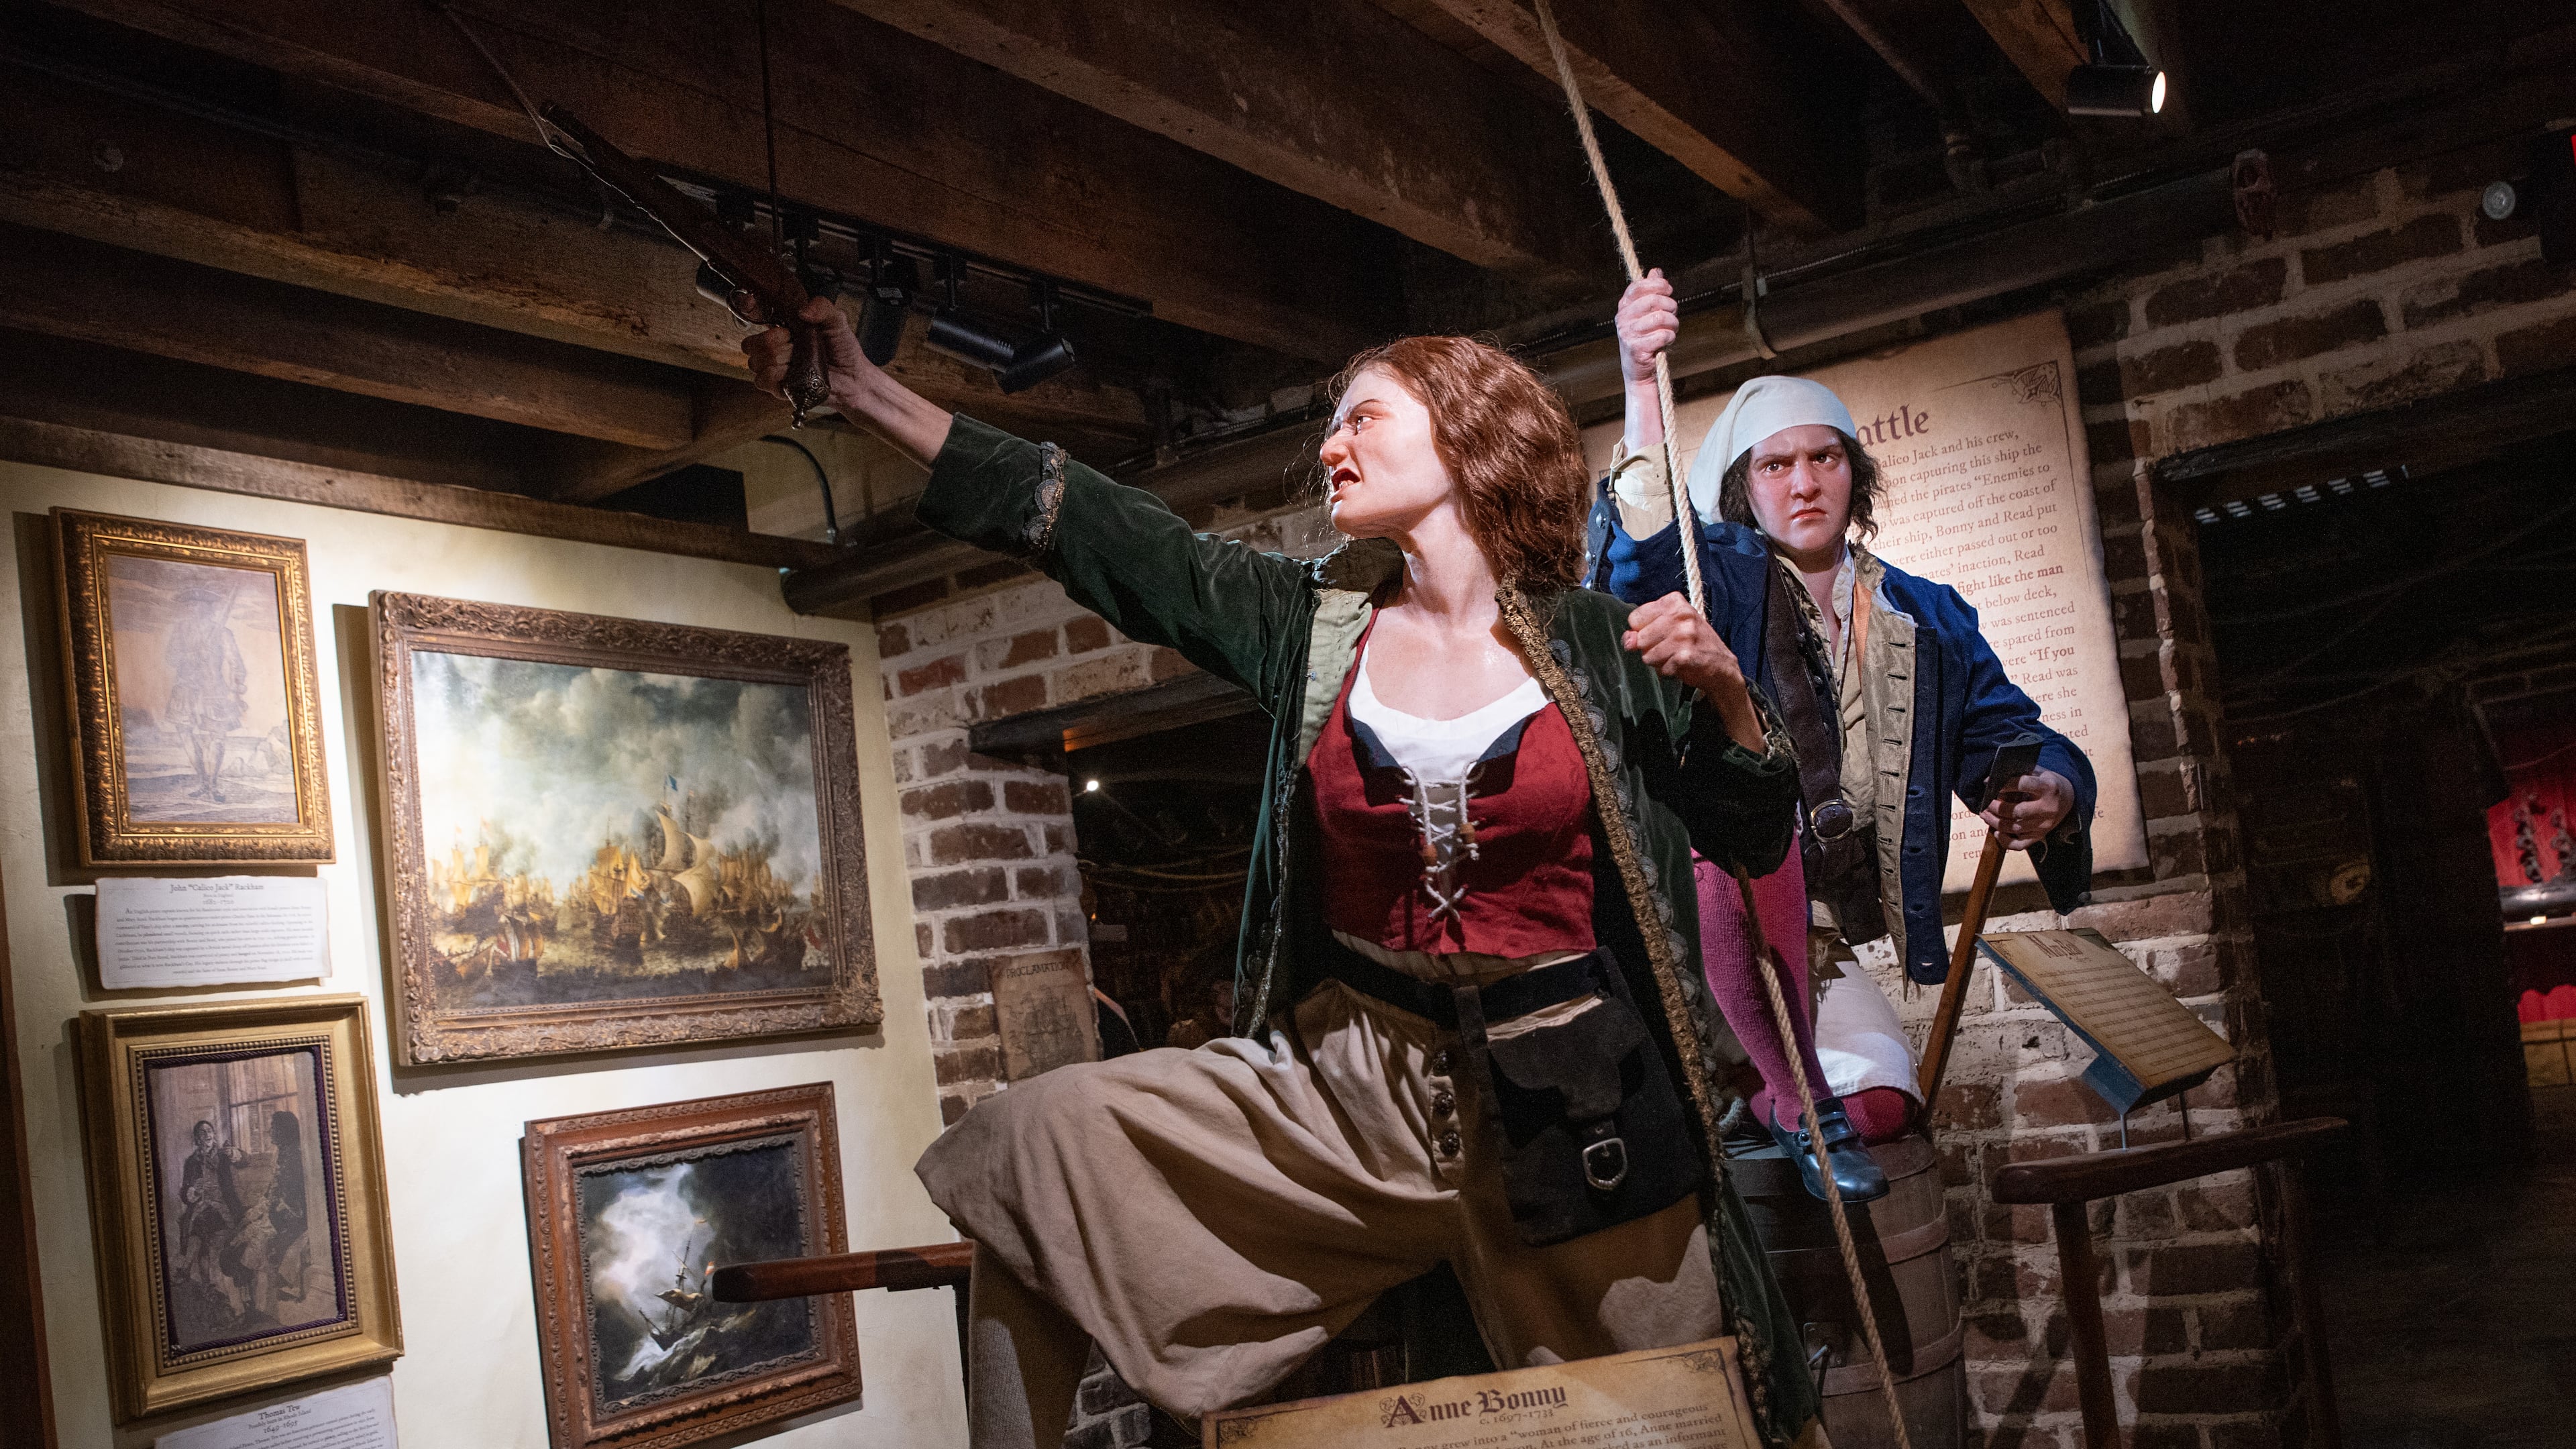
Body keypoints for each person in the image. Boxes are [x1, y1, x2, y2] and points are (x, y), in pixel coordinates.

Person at [748, 305, 1827, 1448]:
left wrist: (1727, 695)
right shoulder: (1313, 630)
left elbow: (1754, 834)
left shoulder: (1603, 645)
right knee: (1032, 1149)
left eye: (1363, 418)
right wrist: (864, 393)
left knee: (1691, 1417)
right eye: (1333, 424)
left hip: (1574, 1095)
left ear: (1466, 435)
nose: (1331, 445)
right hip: (1347, 1087)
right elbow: (1109, 533)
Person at [1590, 270, 2098, 1201]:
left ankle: (1770, 1097)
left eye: (1824, 458)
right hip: (1706, 923)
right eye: (1776, 466)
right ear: (1743, 487)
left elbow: (2010, 734)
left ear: (1855, 472)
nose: (1804, 482)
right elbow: (1648, 555)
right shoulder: (1721, 576)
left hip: (1818, 941)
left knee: (1879, 1112)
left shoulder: (1926, 616)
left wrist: (2054, 792)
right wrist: (1637, 382)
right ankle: (1763, 1087)